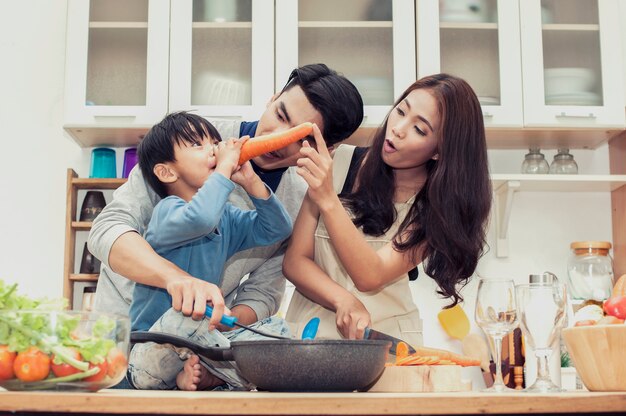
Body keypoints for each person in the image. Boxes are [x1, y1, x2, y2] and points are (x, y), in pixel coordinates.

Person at [87, 64, 363, 387]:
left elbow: (263, 290)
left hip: (197, 352)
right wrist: (176, 279)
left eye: (299, 136)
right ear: (272, 98)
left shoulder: (299, 196)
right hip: (121, 342)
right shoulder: (194, 140)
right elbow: (108, 227)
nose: (276, 138)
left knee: (275, 338)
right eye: (281, 114)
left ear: (324, 149)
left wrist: (223, 328)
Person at [283, 73, 492, 345]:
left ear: (439, 151)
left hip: (388, 347)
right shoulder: (339, 162)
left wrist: (328, 199)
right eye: (401, 111)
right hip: (309, 338)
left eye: (420, 129)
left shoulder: (435, 209)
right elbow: (295, 261)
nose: (398, 129)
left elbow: (371, 275)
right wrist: (342, 300)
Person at [126, 111, 293, 390]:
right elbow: (200, 218)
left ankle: (210, 375)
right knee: (188, 314)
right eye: (197, 144)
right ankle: (212, 374)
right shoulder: (166, 213)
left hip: (203, 345)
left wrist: (251, 182)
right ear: (167, 172)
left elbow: (276, 229)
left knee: (279, 333)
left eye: (215, 142)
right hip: (151, 350)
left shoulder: (227, 217)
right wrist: (225, 169)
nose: (214, 149)